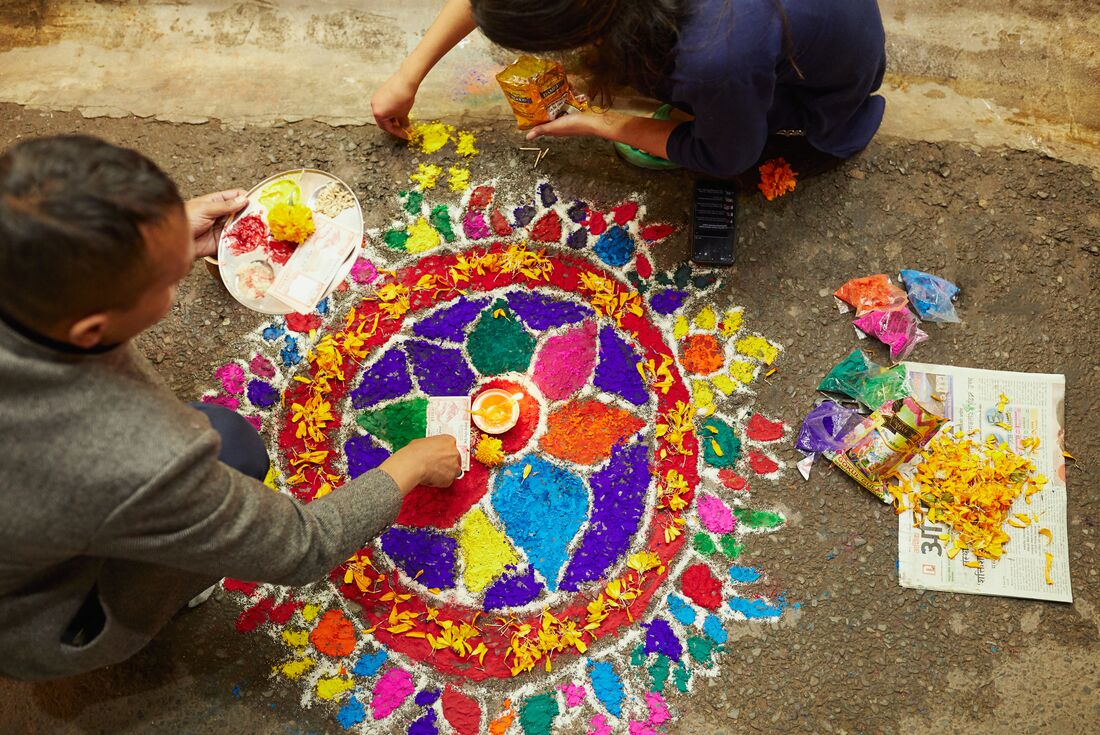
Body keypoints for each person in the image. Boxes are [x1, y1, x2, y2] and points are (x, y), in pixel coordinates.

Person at [0, 135, 462, 681]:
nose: (175, 280)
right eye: (163, 280)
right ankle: (119, 626)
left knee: (225, 435)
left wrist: (162, 238)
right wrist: (410, 464)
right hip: (38, 620)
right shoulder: (141, 456)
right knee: (232, 449)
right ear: (90, 331)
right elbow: (302, 547)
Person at [372, 0, 887, 179]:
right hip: (797, 30)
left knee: (705, 128)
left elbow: (729, 156)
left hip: (821, 80)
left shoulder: (710, 56)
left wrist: (600, 123)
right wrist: (408, 75)